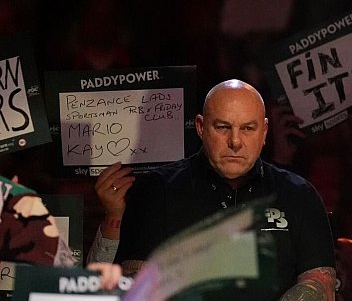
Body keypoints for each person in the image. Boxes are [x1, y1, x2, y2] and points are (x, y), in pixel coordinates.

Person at [113, 79, 336, 300]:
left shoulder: (299, 195)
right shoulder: (156, 191)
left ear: (265, 131)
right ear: (201, 127)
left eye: (248, 128)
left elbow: (320, 284)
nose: (235, 141)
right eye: (223, 127)